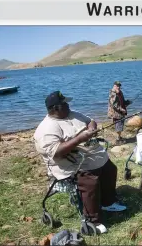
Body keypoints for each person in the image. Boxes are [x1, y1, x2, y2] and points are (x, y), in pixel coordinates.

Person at [34, 90, 127, 234]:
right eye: (65, 103)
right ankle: (92, 221)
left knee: (110, 169)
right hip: (68, 165)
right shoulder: (46, 129)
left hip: (89, 155)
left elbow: (91, 121)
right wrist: (80, 139)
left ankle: (107, 202)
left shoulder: (72, 114)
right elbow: (56, 152)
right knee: (91, 181)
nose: (68, 105)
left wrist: (91, 129)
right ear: (56, 108)